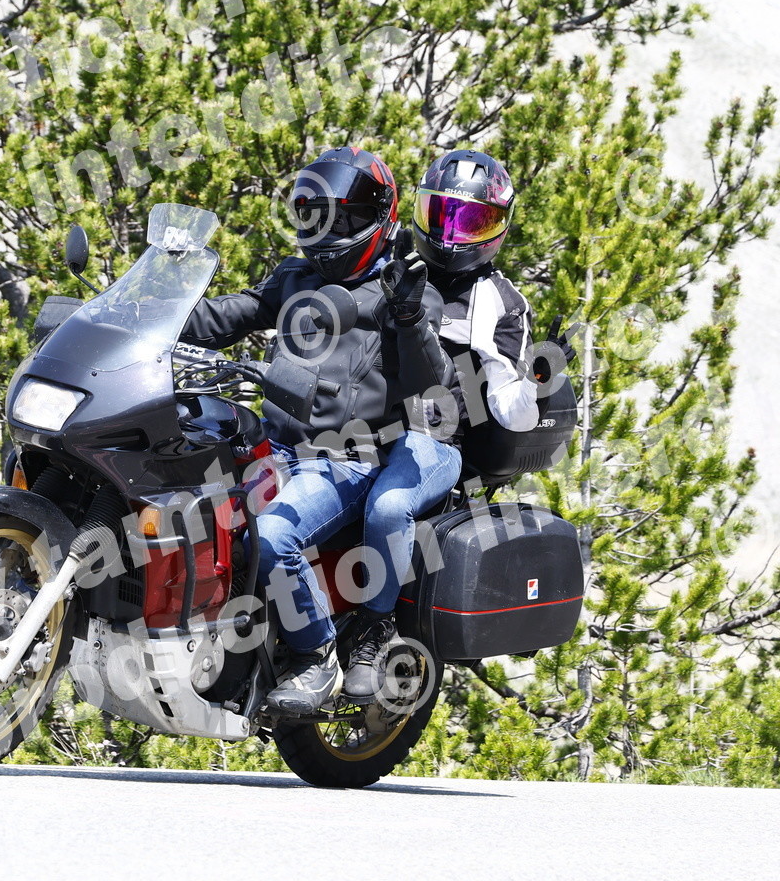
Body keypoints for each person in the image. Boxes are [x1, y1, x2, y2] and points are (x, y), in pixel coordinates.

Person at [182, 146, 460, 715]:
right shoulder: (298, 276)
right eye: (318, 216)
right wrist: (142, 315)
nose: (330, 231)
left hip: (347, 461)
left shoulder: (406, 291)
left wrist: (409, 316)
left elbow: (431, 383)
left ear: (378, 218)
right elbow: (230, 314)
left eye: (344, 218)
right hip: (273, 445)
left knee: (272, 536)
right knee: (183, 502)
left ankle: (317, 655)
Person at [409, 149, 542, 439]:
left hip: (434, 440)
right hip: (362, 431)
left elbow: (511, 409)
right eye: (440, 214)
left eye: (471, 223)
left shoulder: (503, 303)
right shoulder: (395, 268)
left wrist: (538, 379)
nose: (450, 235)